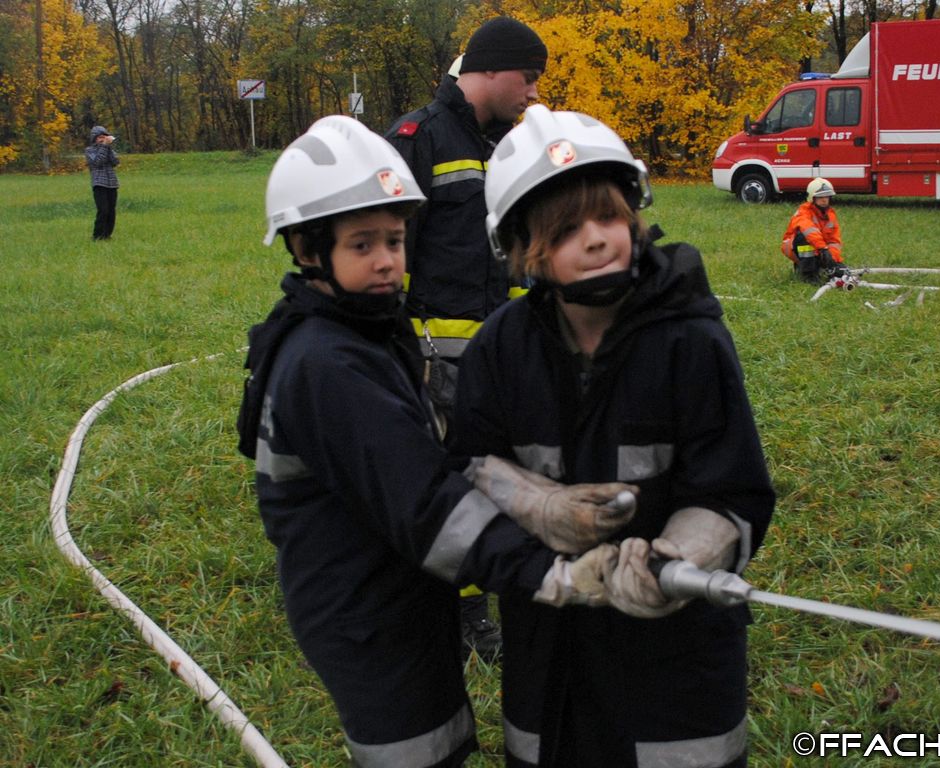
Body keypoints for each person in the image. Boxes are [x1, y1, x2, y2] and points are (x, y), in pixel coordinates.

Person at [237, 114, 639, 767]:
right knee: (414, 751)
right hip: (364, 612)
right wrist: (552, 575)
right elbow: (425, 505)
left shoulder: (357, 331)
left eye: (395, 241)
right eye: (362, 244)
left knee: (440, 737)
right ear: (307, 250)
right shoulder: (325, 364)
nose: (387, 262)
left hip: (399, 594)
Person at [454, 105, 776, 767]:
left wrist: (674, 562)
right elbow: (469, 464)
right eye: (567, 229)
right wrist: (537, 504)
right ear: (520, 251)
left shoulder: (691, 341)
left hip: (677, 667)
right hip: (549, 659)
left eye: (607, 216)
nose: (597, 239)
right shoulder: (498, 351)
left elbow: (733, 492)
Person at [385, 15, 548, 657]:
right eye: (527, 78)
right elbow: (388, 255)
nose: (534, 93)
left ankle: (499, 584)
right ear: (488, 68)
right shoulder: (416, 139)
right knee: (453, 484)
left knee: (508, 474)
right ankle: (462, 611)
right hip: (436, 361)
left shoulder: (510, 145)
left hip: (507, 354)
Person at [781, 177, 848, 283]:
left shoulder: (831, 215)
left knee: (840, 269)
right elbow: (810, 232)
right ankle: (808, 274)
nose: (824, 199)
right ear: (812, 198)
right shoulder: (804, 212)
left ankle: (819, 268)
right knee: (803, 237)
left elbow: (834, 241)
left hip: (820, 250)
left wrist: (833, 260)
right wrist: (823, 250)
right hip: (794, 247)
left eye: (827, 196)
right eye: (820, 196)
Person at [85, 125, 120, 240]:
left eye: (104, 137)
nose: (102, 139)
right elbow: (98, 162)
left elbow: (115, 162)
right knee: (103, 210)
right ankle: (97, 235)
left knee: (111, 211)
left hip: (112, 184)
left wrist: (108, 147)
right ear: (94, 138)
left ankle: (107, 235)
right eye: (100, 137)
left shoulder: (108, 149)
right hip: (99, 183)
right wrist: (104, 146)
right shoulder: (89, 150)